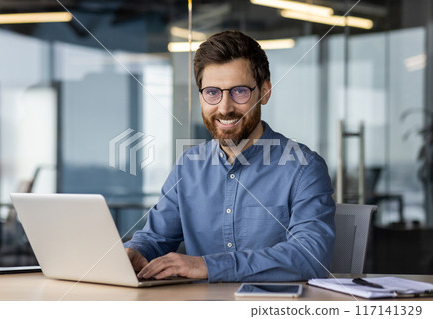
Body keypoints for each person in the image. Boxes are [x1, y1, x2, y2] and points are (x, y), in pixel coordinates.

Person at [124, 30, 335, 282]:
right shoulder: (188, 167)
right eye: (212, 92)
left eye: (240, 92)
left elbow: (309, 256)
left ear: (265, 92)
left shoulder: (304, 168)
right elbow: (156, 237)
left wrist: (209, 266)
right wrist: (134, 252)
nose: (224, 107)